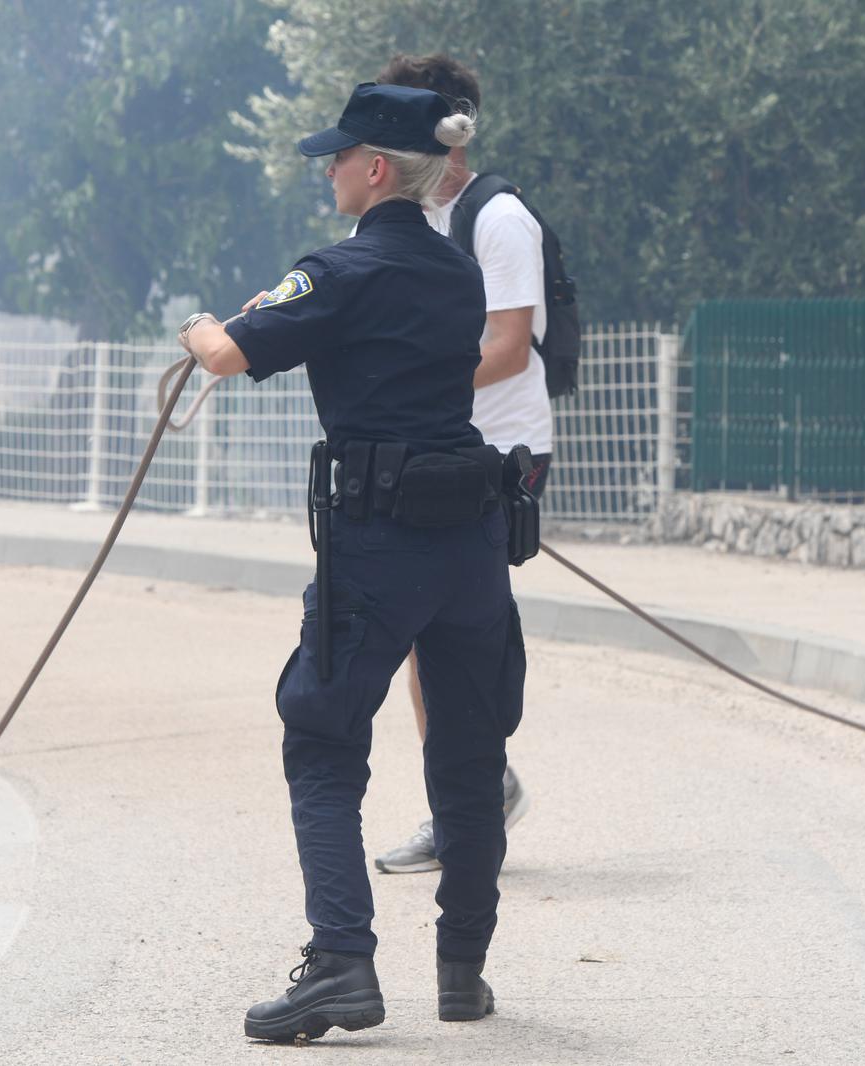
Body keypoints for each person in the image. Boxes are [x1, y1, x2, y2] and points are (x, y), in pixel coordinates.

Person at [178, 82, 527, 1043]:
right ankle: (462, 972)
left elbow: (225, 356)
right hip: (472, 540)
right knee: (469, 753)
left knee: (323, 739)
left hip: (379, 542)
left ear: (375, 168)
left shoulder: (337, 270)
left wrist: (200, 326)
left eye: (337, 156)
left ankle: (340, 964)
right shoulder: (458, 272)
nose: (328, 169)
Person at [372, 53, 551, 875]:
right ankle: (475, 793)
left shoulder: (498, 218)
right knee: (426, 631)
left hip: (498, 452)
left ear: (448, 129)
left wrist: (412, 385)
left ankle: (471, 799)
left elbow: (509, 348)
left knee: (453, 632)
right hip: (430, 448)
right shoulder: (392, 219)